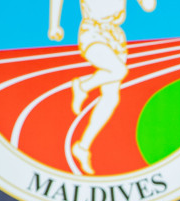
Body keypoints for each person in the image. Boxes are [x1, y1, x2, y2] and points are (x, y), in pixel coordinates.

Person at [47, 0, 158, 175]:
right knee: (119, 70)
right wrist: (54, 24)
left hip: (116, 37)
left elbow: (149, 7)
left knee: (111, 98)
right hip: (93, 32)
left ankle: (82, 147)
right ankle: (83, 86)